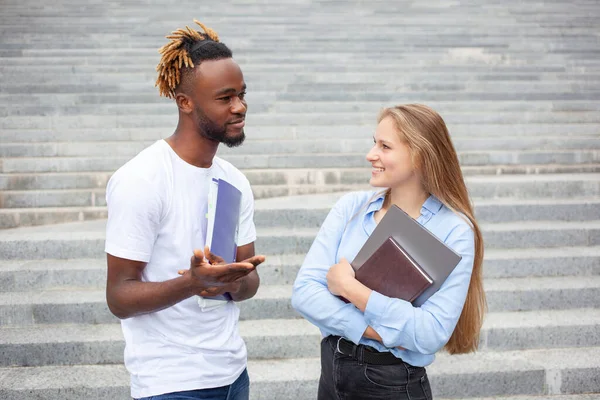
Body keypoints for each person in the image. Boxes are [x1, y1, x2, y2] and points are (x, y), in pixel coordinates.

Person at [104, 19, 265, 400]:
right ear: (186, 102)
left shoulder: (234, 181)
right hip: (170, 384)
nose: (240, 107)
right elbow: (119, 297)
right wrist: (192, 284)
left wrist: (233, 281)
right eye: (225, 98)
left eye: (242, 94)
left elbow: (249, 283)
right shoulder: (142, 179)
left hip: (232, 375)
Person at [291, 104, 486, 400]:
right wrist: (379, 332)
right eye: (374, 143)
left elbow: (430, 333)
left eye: (385, 146)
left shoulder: (454, 231)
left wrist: (350, 289)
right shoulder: (350, 208)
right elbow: (304, 294)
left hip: (392, 383)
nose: (371, 154)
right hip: (332, 372)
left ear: (420, 155)